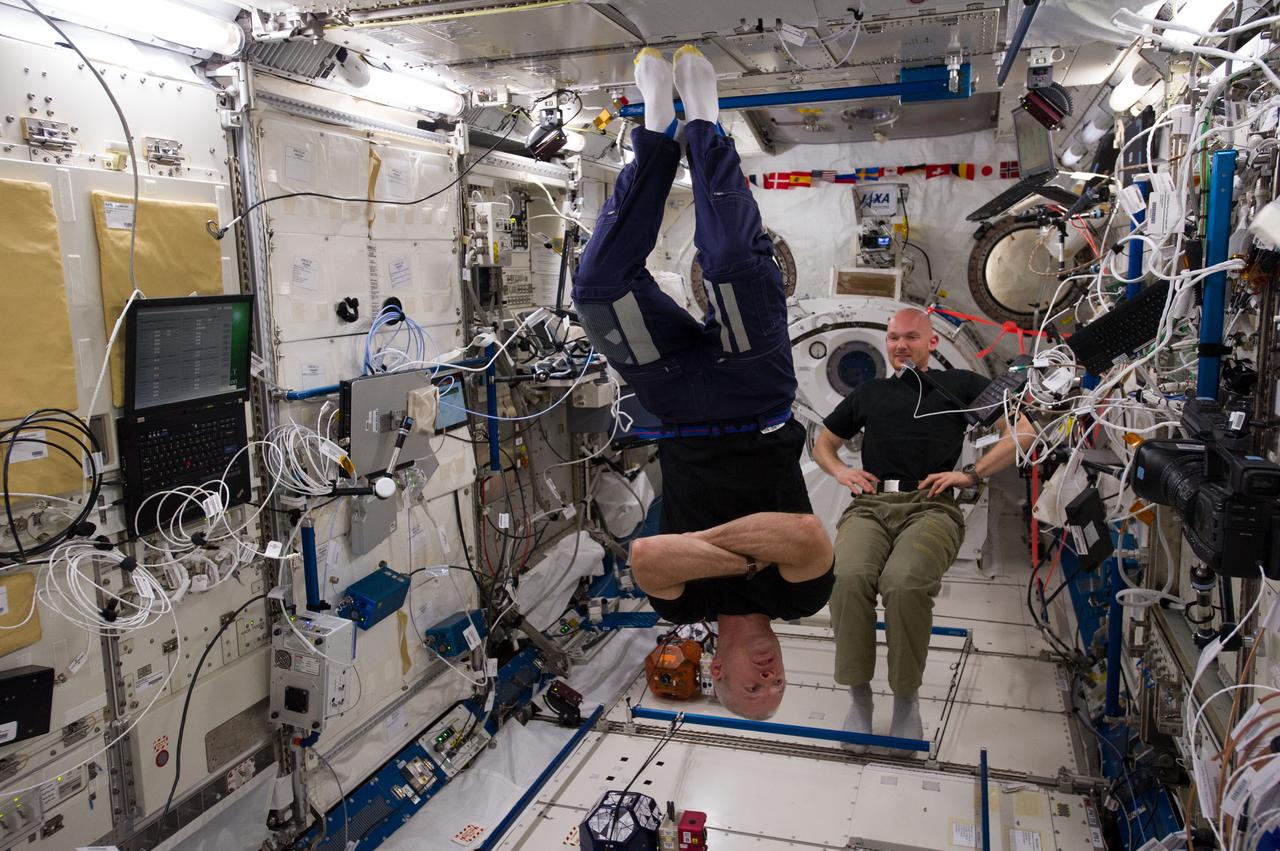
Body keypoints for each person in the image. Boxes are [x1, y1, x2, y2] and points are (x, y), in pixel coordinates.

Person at [572, 45, 832, 720]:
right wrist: (725, 552)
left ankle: (656, 132)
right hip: (756, 399)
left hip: (674, 407)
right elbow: (806, 540)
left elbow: (651, 553)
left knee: (599, 287)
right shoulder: (801, 599)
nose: (769, 676)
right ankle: (705, 122)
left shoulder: (681, 603)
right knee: (730, 265)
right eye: (778, 686)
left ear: (714, 667)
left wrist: (744, 554)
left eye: (752, 687)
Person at [812, 307, 1035, 744]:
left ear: (931, 343)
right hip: (872, 505)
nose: (899, 345)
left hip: (931, 505)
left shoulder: (960, 387)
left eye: (910, 337)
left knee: (904, 583)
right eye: (893, 337)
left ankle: (905, 699)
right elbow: (825, 442)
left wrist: (972, 473)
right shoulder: (870, 393)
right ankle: (860, 698)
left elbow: (1023, 432)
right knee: (848, 577)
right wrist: (841, 473)